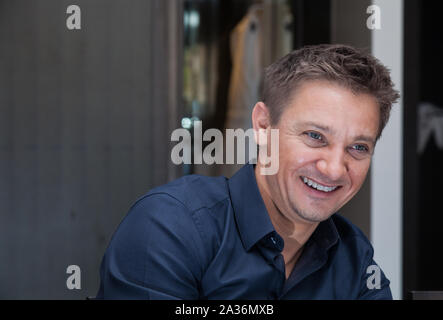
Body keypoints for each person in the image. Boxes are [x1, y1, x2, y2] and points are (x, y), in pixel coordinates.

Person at [96, 44, 400, 299]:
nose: (334, 169)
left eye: (358, 147)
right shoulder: (171, 226)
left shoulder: (353, 257)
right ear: (263, 127)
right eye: (315, 136)